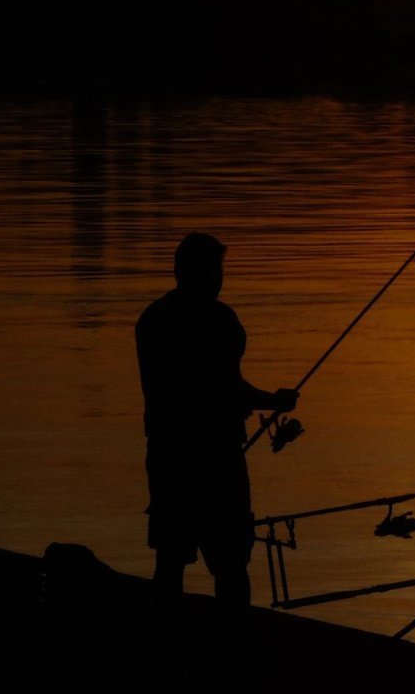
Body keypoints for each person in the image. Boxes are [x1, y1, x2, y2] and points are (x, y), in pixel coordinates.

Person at [136, 232, 297, 608]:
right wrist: (273, 401)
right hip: (216, 461)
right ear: (204, 273)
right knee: (230, 564)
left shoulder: (152, 320)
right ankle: (233, 643)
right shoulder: (218, 320)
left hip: (166, 456)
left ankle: (164, 636)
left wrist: (262, 400)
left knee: (170, 559)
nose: (221, 278)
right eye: (217, 270)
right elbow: (225, 386)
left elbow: (215, 384)